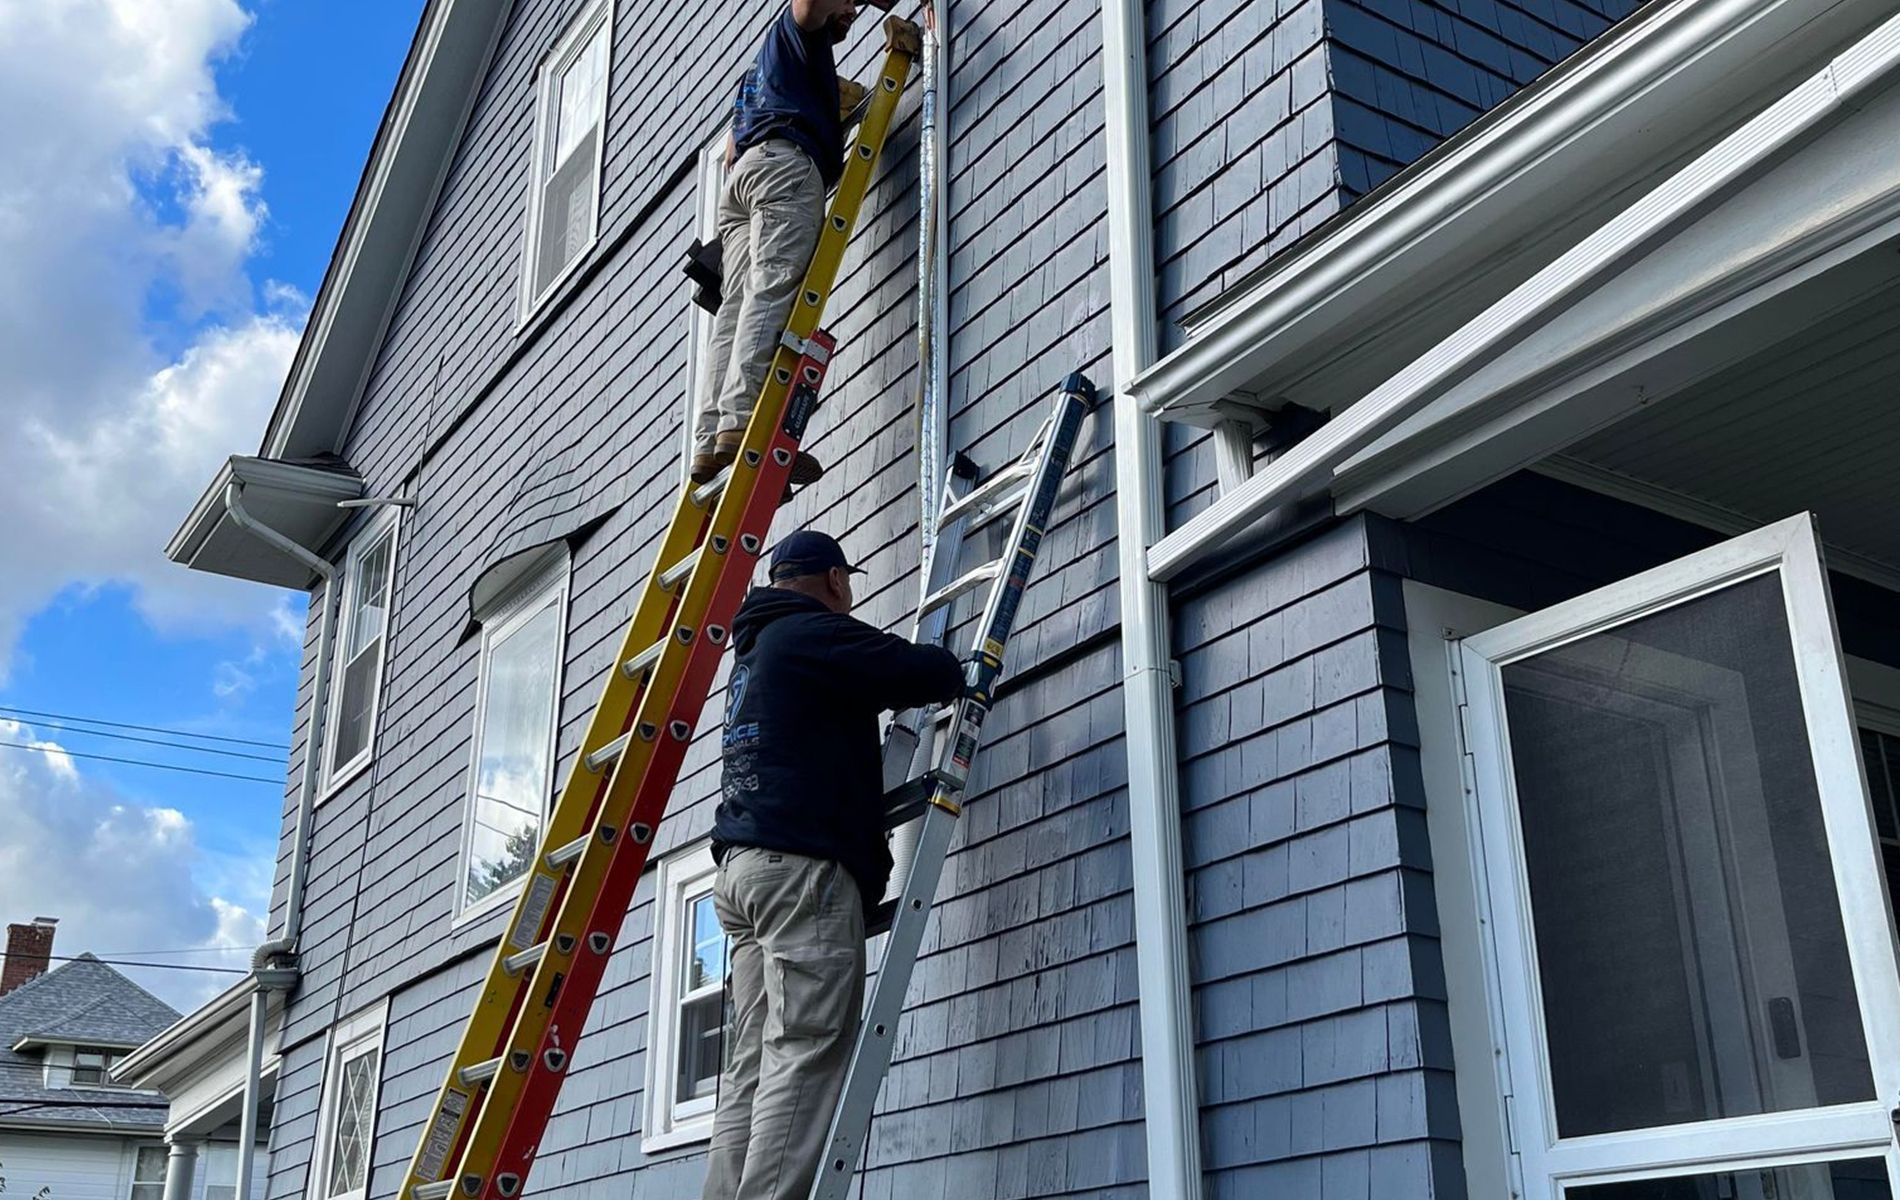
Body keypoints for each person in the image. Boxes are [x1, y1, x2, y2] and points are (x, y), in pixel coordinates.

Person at [702, 531, 964, 1200]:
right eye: (847, 582)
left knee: (753, 1065)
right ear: (833, 581)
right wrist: (957, 662)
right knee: (805, 1047)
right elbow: (924, 673)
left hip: (743, 871)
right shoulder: (810, 634)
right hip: (798, 871)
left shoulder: (758, 650)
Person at [691, 0, 874, 491]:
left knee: (737, 306)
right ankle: (745, 422)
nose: (851, 16)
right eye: (848, 9)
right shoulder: (795, 35)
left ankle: (712, 438)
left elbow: (732, 149)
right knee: (770, 289)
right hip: (784, 168)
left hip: (745, 179)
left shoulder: (760, 79)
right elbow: (808, 6)